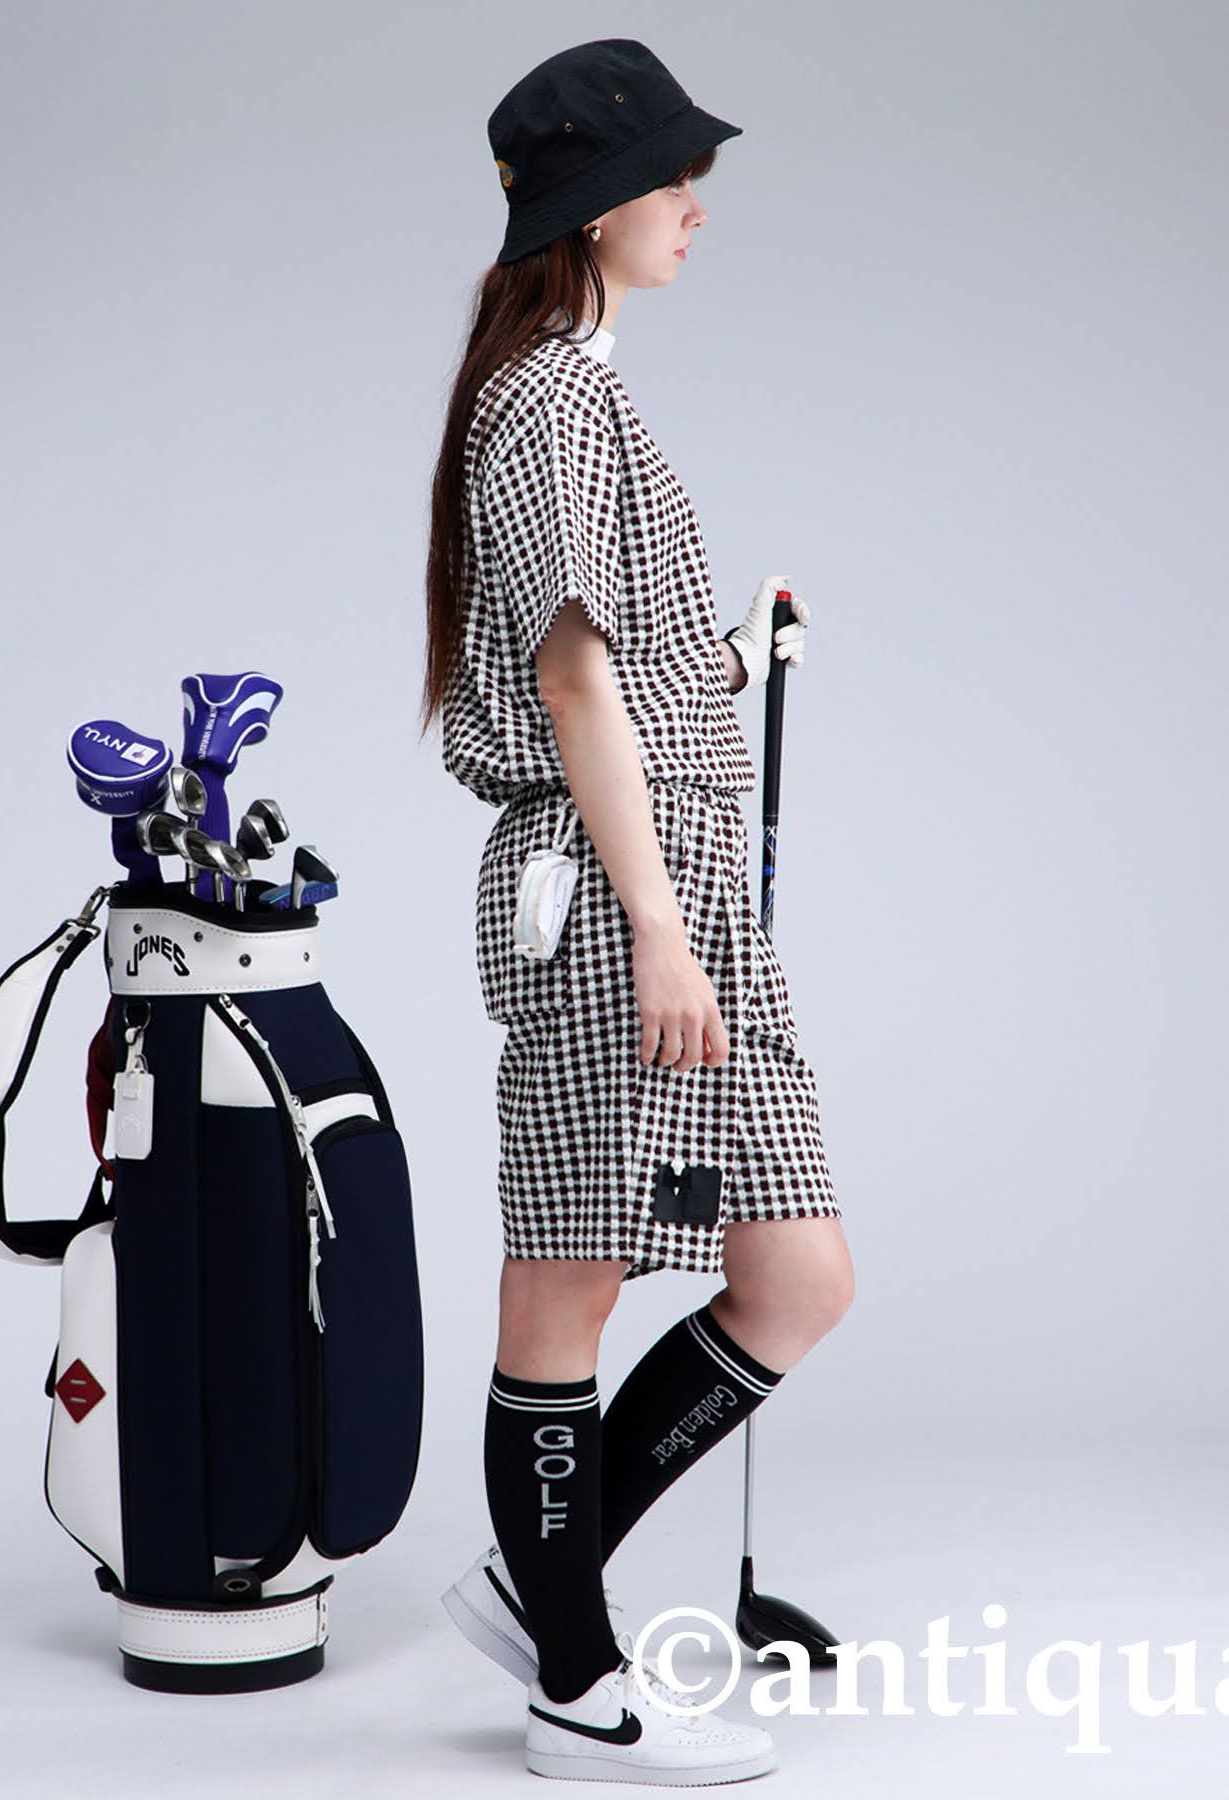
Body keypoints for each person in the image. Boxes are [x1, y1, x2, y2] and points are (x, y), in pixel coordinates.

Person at [417, 38, 855, 1786]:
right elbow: (570, 683)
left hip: (666, 875)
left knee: (796, 1274)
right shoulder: (547, 400)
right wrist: (661, 926)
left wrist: (732, 661)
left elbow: (622, 673)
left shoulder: (578, 395)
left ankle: (537, 1593)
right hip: (620, 896)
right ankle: (576, 1690)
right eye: (675, 177)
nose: (694, 206)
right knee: (570, 1284)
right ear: (592, 207)